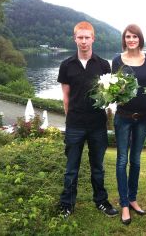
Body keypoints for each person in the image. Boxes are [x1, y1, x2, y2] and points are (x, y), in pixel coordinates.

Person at [57, 21, 118, 218]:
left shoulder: (103, 65)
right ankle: (67, 204)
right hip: (75, 125)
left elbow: (109, 94)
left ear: (93, 39)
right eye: (80, 37)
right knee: (71, 169)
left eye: (87, 37)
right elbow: (66, 97)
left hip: (97, 125)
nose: (83, 41)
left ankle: (101, 201)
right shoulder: (66, 65)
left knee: (98, 168)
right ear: (75, 39)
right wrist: (70, 118)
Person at [111, 24, 146, 225]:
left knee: (136, 161)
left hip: (143, 117)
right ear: (124, 39)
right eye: (128, 36)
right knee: (122, 160)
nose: (131, 40)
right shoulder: (117, 61)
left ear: (140, 39)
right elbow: (113, 89)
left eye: (135, 36)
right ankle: (124, 205)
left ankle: (133, 198)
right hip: (123, 116)